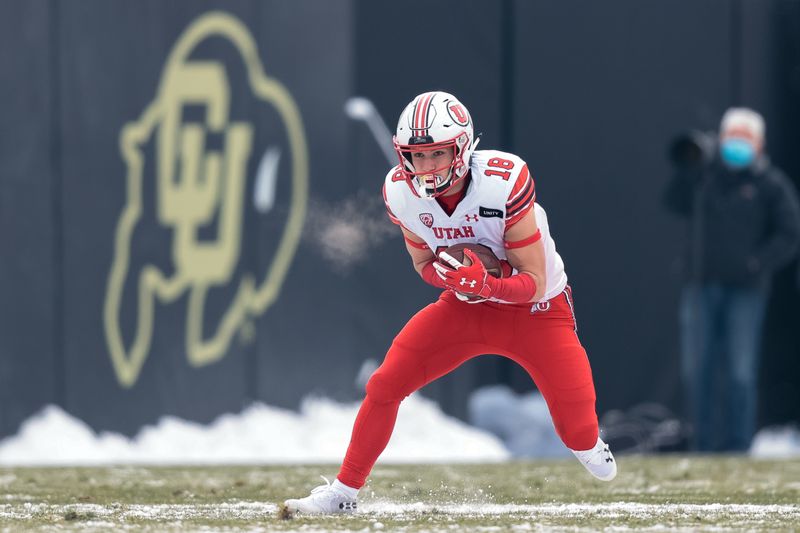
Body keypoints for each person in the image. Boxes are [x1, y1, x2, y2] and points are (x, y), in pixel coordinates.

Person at [284, 91, 616, 515]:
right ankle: (344, 491)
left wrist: (485, 283)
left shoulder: (503, 181)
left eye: (436, 153)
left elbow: (534, 282)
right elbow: (422, 262)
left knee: (579, 434)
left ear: (461, 148)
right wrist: (451, 278)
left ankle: (589, 444)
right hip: (465, 307)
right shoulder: (400, 192)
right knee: (384, 386)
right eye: (415, 156)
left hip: (538, 312)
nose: (424, 167)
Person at [664, 107, 800, 452]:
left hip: (746, 291)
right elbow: (672, 202)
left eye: (745, 137)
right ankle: (702, 445)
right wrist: (688, 170)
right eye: (732, 136)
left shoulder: (770, 184)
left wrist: (757, 263)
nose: (737, 143)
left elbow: (790, 232)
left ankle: (739, 446)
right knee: (698, 371)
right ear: (721, 138)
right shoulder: (705, 177)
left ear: (760, 143)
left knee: (741, 372)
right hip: (700, 285)